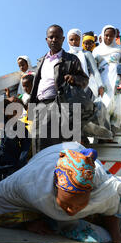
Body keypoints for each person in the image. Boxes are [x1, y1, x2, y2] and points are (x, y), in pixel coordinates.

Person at [0, 142, 121, 243]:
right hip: (47, 156)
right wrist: (28, 221)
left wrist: (117, 235)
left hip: (78, 154)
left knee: (120, 208)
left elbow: (114, 200)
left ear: (90, 192)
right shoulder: (30, 183)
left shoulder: (101, 183)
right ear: (55, 189)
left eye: (80, 204)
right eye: (67, 204)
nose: (72, 211)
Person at [29, 24, 89, 154]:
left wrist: (74, 78)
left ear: (62, 39)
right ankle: (42, 173)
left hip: (59, 104)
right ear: (46, 40)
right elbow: (36, 84)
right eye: (51, 37)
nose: (54, 40)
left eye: (57, 37)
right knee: (38, 144)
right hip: (40, 105)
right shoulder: (41, 61)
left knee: (54, 147)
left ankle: (55, 173)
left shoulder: (71, 59)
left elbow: (84, 80)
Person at [0, 98, 31, 215]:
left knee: (6, 186)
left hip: (10, 161)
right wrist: (4, 100)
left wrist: (21, 160)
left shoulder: (21, 128)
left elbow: (26, 145)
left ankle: (3, 207)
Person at [93, 25, 121, 135]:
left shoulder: (119, 49)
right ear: (102, 35)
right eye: (106, 35)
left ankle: (112, 130)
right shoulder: (96, 50)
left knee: (116, 104)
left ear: (115, 36)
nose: (109, 38)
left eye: (111, 36)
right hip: (101, 80)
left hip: (115, 79)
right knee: (103, 103)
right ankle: (102, 131)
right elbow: (93, 67)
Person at [67, 28, 104, 99]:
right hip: (69, 89)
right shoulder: (66, 55)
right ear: (68, 41)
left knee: (82, 108)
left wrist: (100, 85)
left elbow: (95, 71)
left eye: (77, 39)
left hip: (85, 87)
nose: (74, 42)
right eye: (71, 40)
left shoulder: (86, 54)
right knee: (69, 109)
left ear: (81, 40)